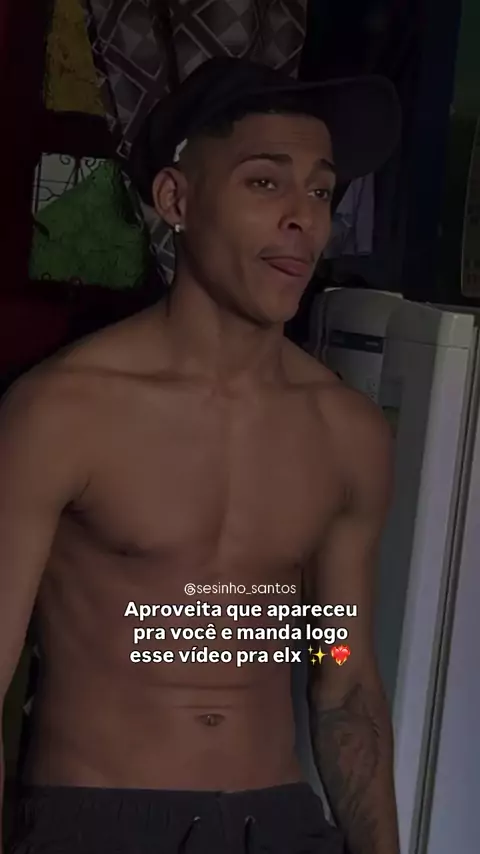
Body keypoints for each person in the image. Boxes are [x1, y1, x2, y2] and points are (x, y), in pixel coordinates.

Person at [0, 57, 401, 854]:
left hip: (279, 825)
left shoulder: (347, 433)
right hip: (99, 826)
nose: (303, 218)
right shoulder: (62, 412)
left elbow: (345, 679)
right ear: (176, 200)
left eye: (321, 192)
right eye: (265, 182)